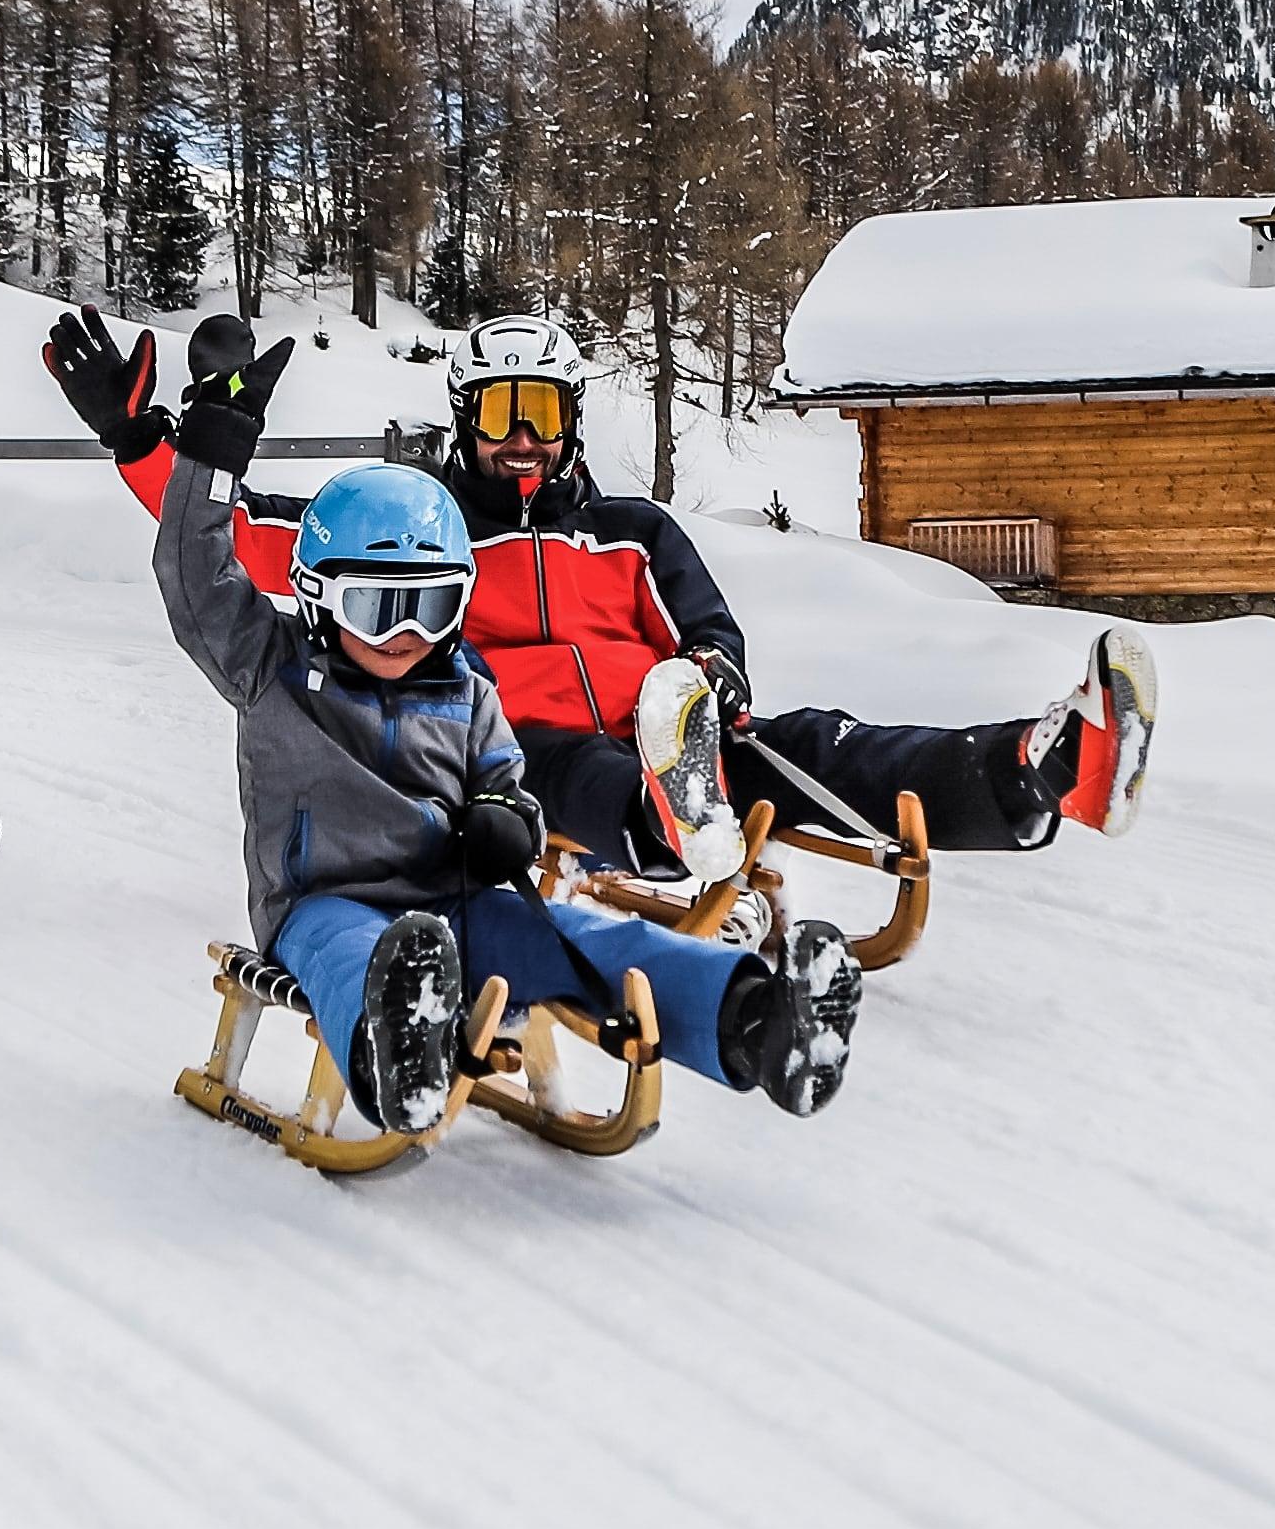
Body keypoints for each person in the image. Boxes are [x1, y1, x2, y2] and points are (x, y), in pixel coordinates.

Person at [45, 302, 1154, 884]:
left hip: (668, 723)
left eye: (541, 414)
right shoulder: (422, 529)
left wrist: (712, 686)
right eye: (497, 415)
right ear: (464, 420)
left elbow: (708, 631)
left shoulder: (628, 532)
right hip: (511, 744)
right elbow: (243, 534)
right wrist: (143, 442)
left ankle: (1039, 769)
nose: (521, 441)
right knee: (579, 772)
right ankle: (672, 824)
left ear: (572, 422)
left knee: (814, 744)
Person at [151, 359, 860, 1134]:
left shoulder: (466, 686)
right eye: (376, 608)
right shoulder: (268, 666)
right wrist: (216, 447)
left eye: (430, 604)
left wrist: (506, 817)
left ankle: (757, 1021)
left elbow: (505, 777)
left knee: (583, 940)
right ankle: (399, 1056)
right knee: (351, 955)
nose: (407, 635)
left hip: (454, 900)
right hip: (322, 907)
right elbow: (193, 575)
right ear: (318, 596)